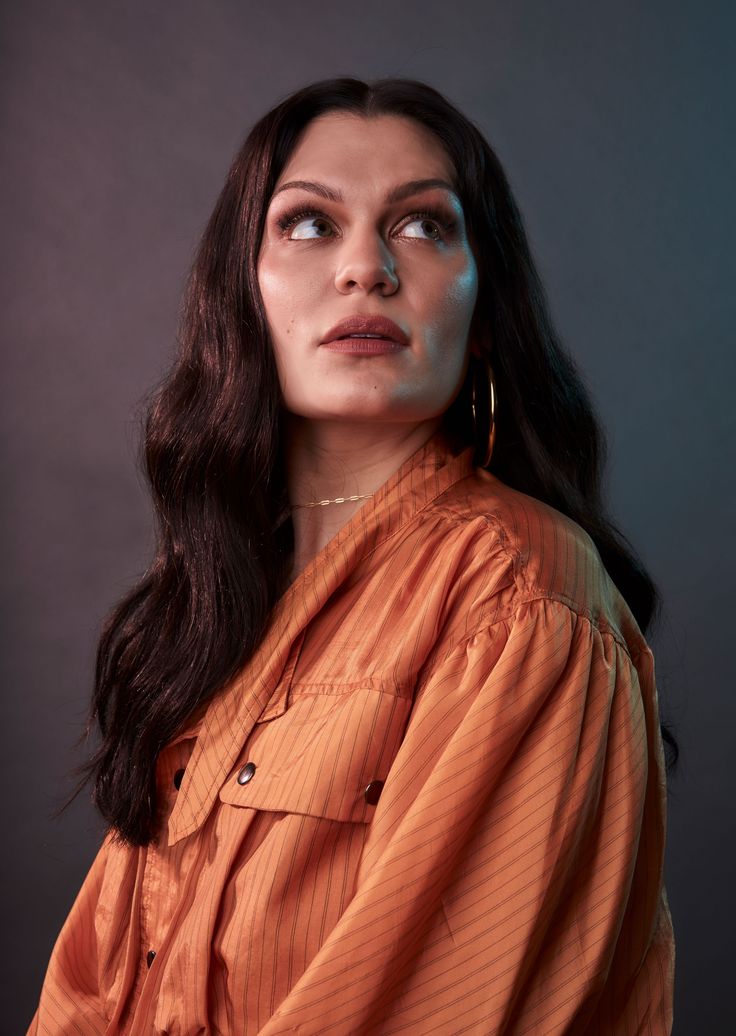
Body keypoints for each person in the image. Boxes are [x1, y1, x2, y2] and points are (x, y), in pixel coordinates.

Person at [28, 77, 676, 1034]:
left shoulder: (525, 598)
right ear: (238, 293)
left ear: (486, 306)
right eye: (308, 225)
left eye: (421, 227)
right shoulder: (223, 606)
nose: (366, 267)